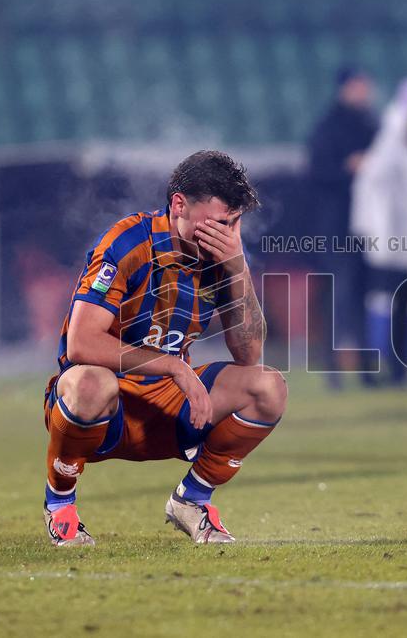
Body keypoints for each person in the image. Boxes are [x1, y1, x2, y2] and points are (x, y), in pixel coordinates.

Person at [41, 151, 287, 546]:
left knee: (268, 387)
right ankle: (60, 503)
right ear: (179, 205)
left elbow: (249, 355)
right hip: (106, 408)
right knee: (90, 383)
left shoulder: (221, 259)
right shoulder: (129, 242)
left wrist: (238, 267)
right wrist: (173, 366)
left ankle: (193, 500)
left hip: (168, 411)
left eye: (234, 224)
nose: (226, 234)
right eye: (220, 222)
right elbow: (81, 342)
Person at [351, 76, 407, 386]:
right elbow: (377, 182)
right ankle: (377, 368)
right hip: (389, 235)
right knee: (385, 297)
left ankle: (402, 367)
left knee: (406, 298)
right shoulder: (394, 130)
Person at [306, 67, 378, 388]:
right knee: (338, 293)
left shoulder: (373, 125)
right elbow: (318, 173)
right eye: (357, 85)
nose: (363, 91)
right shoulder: (327, 128)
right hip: (335, 224)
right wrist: (347, 168)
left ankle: (366, 369)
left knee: (363, 293)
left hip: (366, 224)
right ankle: (333, 369)